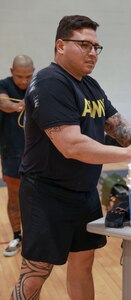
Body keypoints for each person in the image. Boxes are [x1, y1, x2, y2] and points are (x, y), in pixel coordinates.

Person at [10, 15, 131, 300]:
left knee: (83, 263)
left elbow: (115, 123)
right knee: (36, 272)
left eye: (96, 47)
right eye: (84, 44)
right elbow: (71, 145)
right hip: (46, 195)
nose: (92, 52)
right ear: (60, 45)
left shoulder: (90, 85)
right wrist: (129, 153)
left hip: (83, 193)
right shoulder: (49, 82)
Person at [0, 55, 35, 257]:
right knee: (14, 198)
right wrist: (17, 106)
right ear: (12, 71)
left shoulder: (38, 86)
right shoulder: (3, 85)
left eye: (28, 76)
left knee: (39, 197)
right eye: (19, 76)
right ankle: (17, 236)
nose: (23, 81)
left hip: (37, 154)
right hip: (12, 152)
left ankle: (35, 236)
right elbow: (3, 102)